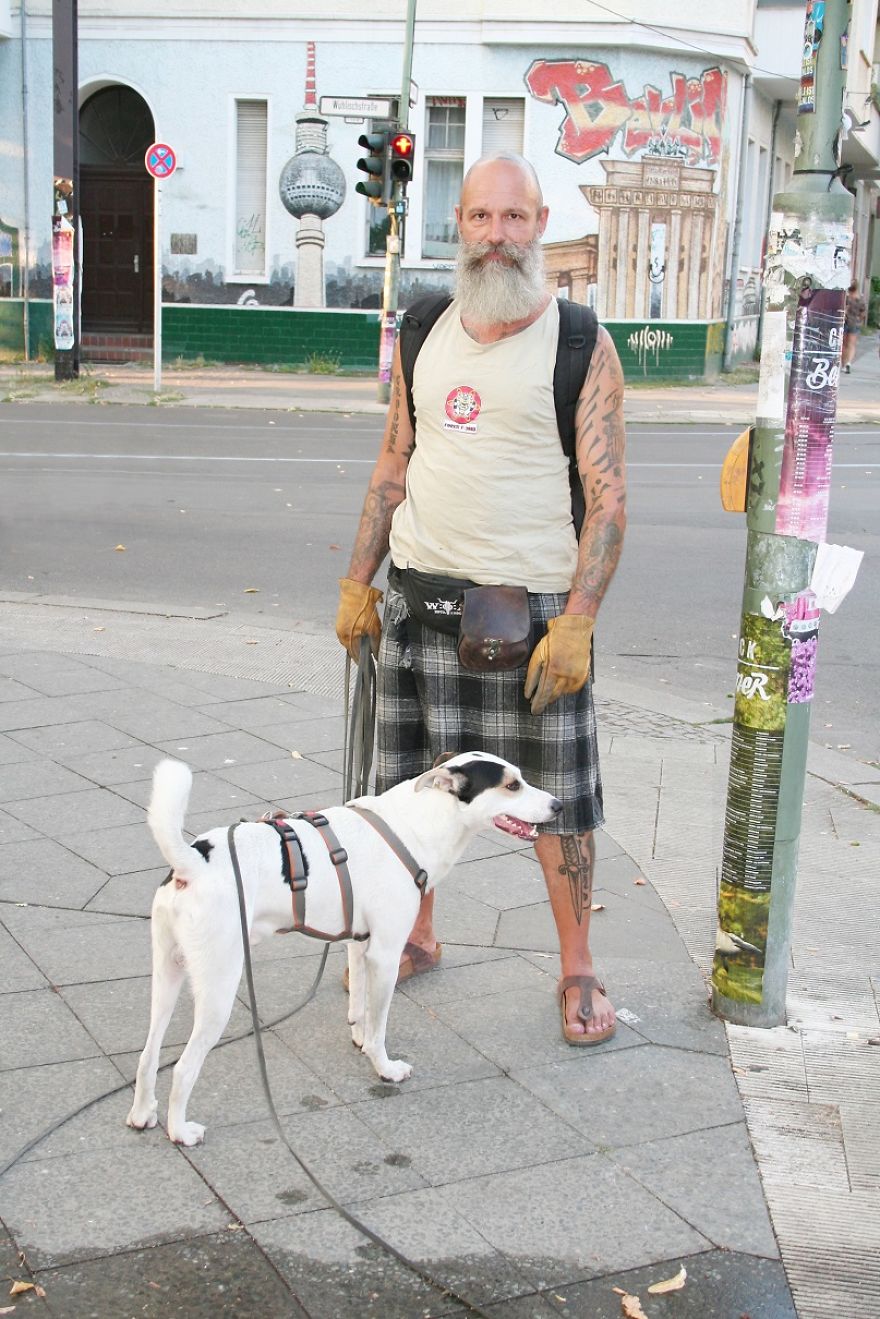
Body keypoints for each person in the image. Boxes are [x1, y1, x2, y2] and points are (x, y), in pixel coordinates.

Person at [335, 152, 626, 1045]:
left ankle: (577, 966)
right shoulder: (422, 327)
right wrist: (357, 581)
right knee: (404, 793)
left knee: (559, 806)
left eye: (514, 218)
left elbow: (608, 495)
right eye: (479, 219)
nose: (496, 236)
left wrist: (577, 619)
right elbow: (393, 465)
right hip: (417, 608)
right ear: (456, 226)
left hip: (530, 623)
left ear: (540, 225)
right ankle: (416, 931)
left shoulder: (579, 341)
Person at [843, 281, 866, 373]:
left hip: (845, 322)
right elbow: (863, 313)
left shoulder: (846, 298)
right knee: (851, 345)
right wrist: (860, 321)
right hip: (855, 323)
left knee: (843, 344)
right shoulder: (860, 299)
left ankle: (843, 363)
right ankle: (848, 363)